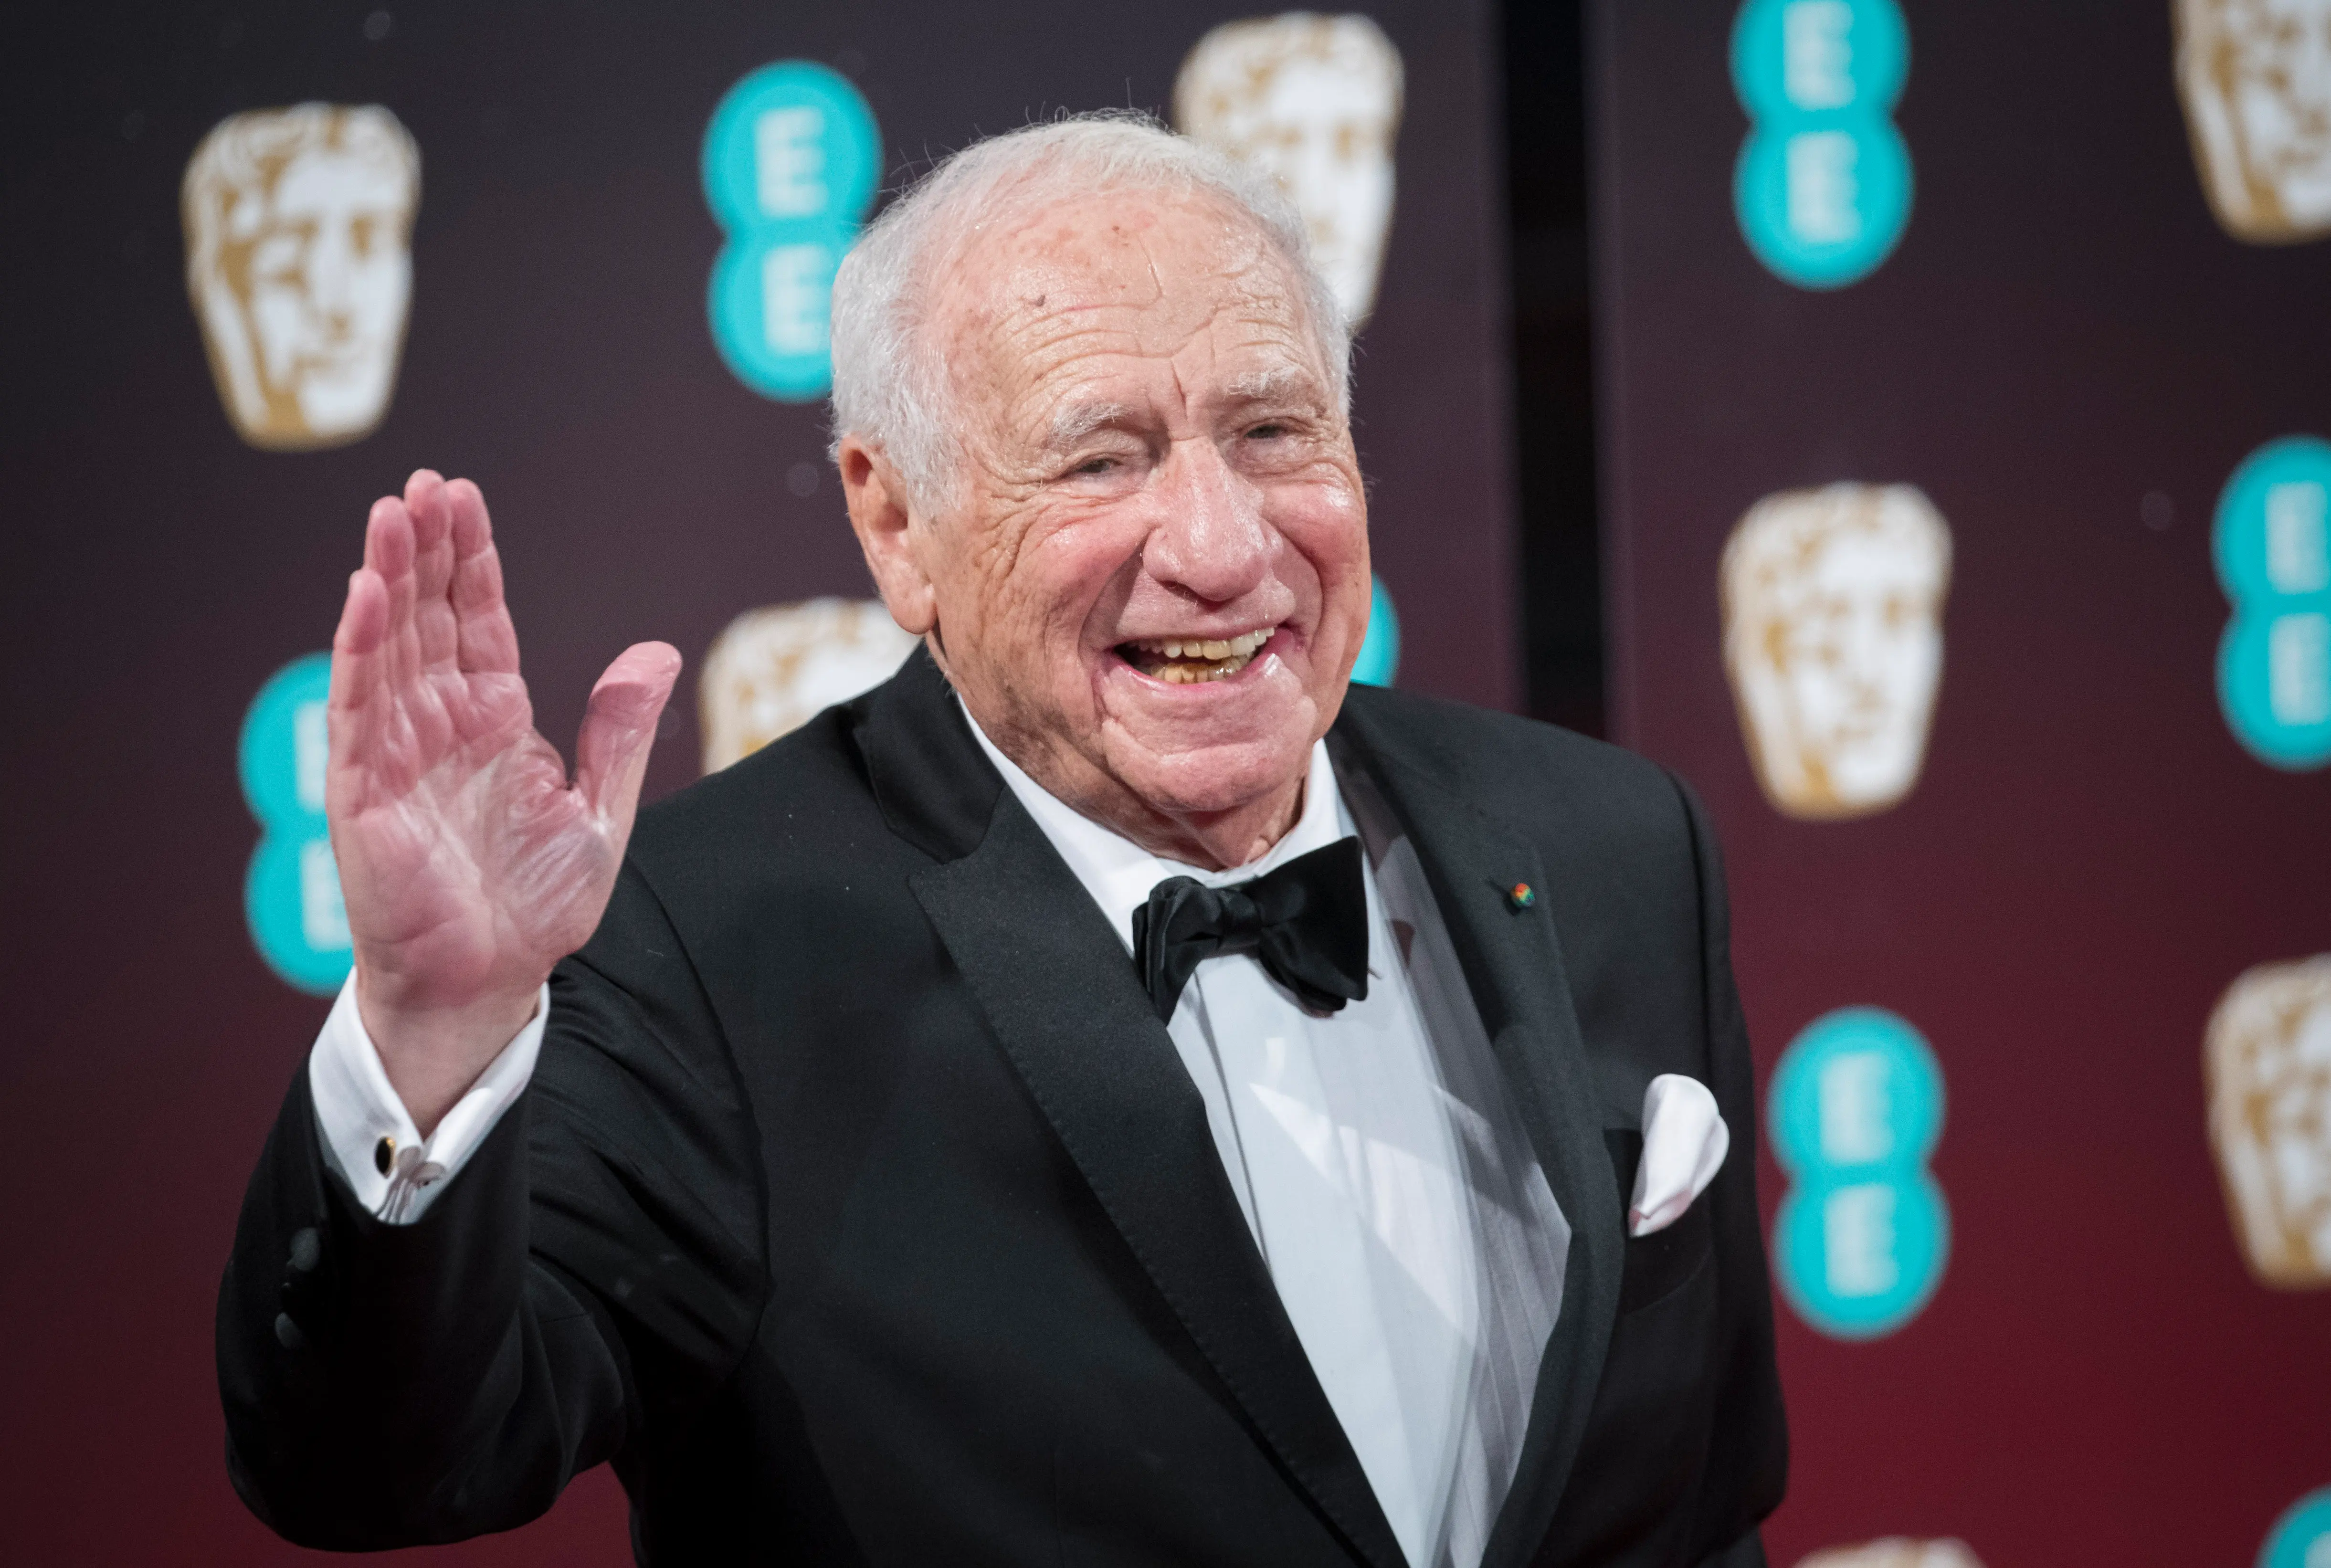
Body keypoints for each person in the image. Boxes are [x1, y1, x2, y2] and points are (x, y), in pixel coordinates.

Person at [219, 113, 1785, 1568]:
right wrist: (433, 1023)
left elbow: (1702, 1506)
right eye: (1103, 456)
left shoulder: (1611, 844)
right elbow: (372, 1467)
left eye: (1273, 429)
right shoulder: (711, 952)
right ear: (895, 524)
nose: (1227, 546)